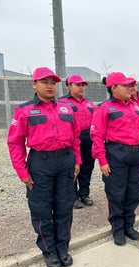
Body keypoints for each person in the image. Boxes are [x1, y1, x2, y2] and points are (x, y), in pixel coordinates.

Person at [7, 67, 81, 267]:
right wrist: (22, 172)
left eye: (53, 82)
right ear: (34, 84)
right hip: (41, 163)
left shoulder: (66, 109)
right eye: (45, 82)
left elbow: (75, 138)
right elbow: (15, 143)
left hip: (65, 161)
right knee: (41, 210)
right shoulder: (24, 110)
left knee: (65, 207)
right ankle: (49, 251)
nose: (50, 86)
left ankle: (62, 248)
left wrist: (77, 160)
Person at [91, 72, 139, 246]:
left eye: (130, 85)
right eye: (125, 86)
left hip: (137, 154)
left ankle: (129, 226)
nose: (130, 88)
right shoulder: (104, 108)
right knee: (116, 193)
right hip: (117, 154)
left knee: (133, 192)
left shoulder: (136, 106)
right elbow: (96, 136)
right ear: (114, 88)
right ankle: (117, 228)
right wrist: (102, 160)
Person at [58, 75, 95, 209]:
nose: (81, 87)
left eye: (82, 85)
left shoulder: (89, 104)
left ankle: (84, 194)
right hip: (73, 139)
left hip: (88, 138)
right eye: (78, 85)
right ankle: (72, 196)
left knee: (87, 168)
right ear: (69, 85)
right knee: (73, 168)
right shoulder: (61, 103)